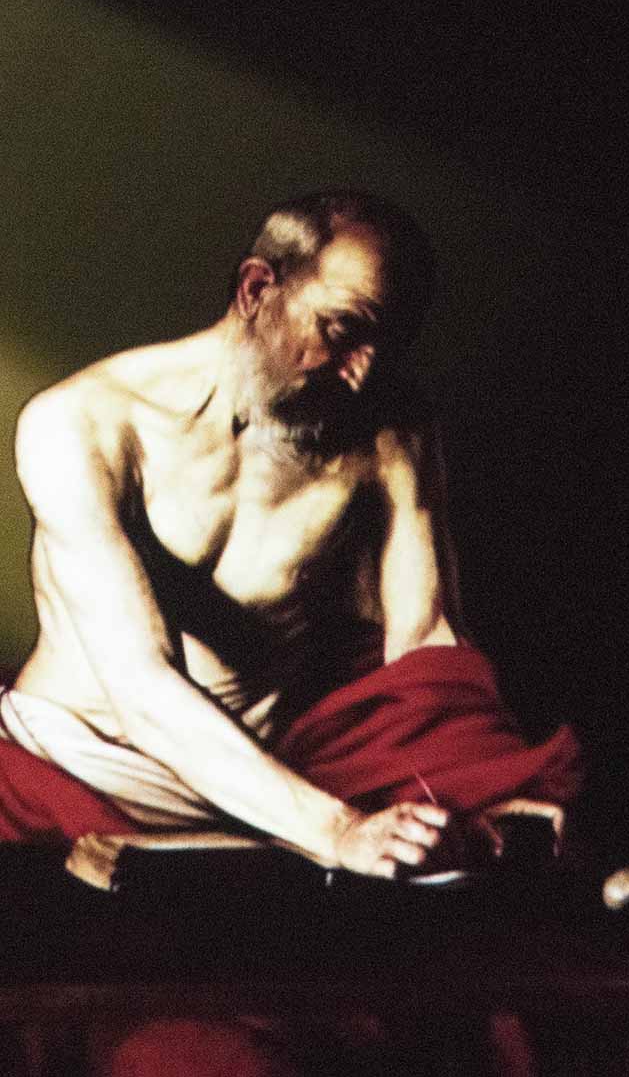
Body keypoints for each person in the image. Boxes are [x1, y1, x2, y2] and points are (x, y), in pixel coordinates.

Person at [3, 190, 581, 878]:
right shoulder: (81, 424)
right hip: (78, 772)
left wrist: (482, 785)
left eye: (385, 348)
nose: (361, 374)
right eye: (342, 329)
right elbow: (140, 681)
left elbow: (426, 647)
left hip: (273, 784)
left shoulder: (390, 431)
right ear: (256, 289)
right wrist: (338, 830)